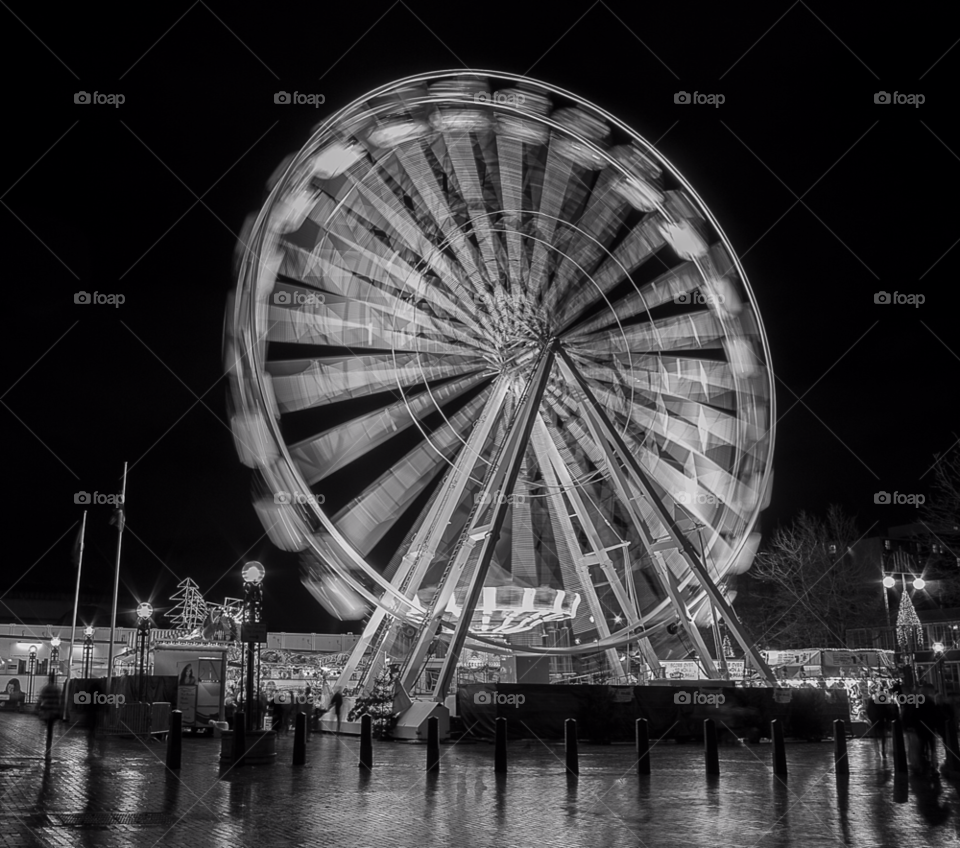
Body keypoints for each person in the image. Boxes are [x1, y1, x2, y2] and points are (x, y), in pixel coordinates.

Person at [37, 674, 62, 759]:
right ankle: (48, 750)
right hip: (54, 712)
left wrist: (37, 709)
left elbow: (40, 699)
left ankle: (47, 748)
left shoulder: (45, 689)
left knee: (48, 730)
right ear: (54, 679)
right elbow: (59, 701)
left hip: (46, 712)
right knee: (50, 732)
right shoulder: (57, 689)